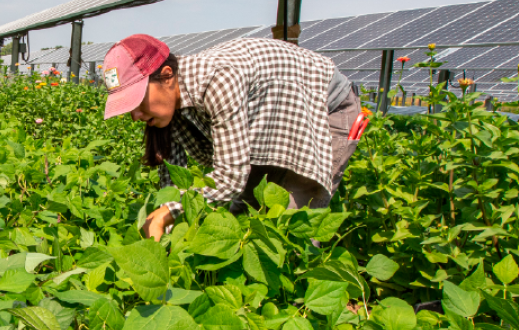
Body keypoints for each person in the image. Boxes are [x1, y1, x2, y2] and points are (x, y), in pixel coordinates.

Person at [101, 34, 362, 241]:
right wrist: (166, 222)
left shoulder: (219, 79)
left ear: (167, 76)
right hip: (270, 118)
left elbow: (230, 178)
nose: (134, 115)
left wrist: (168, 212)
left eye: (137, 101)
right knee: (243, 214)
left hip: (322, 108)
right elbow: (173, 177)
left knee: (292, 223)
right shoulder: (169, 105)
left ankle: (293, 304)